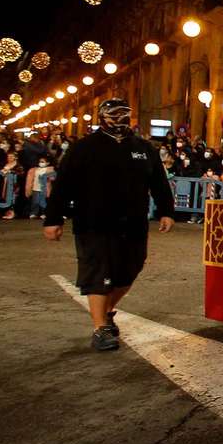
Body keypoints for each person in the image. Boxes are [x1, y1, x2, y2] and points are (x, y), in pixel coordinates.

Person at [43, 99, 176, 352]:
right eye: (114, 114)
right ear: (103, 117)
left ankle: (106, 312)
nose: (119, 119)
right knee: (98, 274)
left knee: (129, 271)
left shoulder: (143, 148)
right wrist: (53, 219)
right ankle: (100, 328)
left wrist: (166, 211)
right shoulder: (84, 148)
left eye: (124, 114)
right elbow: (63, 185)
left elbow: (158, 182)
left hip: (134, 223)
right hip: (94, 222)